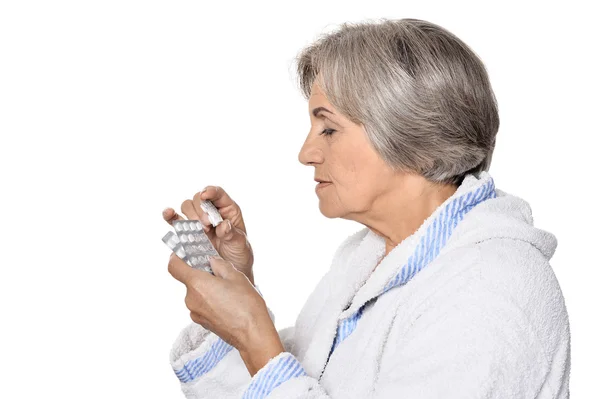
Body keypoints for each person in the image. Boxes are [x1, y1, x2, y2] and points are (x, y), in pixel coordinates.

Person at [162, 18, 571, 398]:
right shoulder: (367, 260)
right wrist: (236, 289)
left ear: (410, 132)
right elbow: (297, 380)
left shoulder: (491, 289)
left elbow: (274, 369)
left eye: (329, 128)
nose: (306, 153)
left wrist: (252, 332)